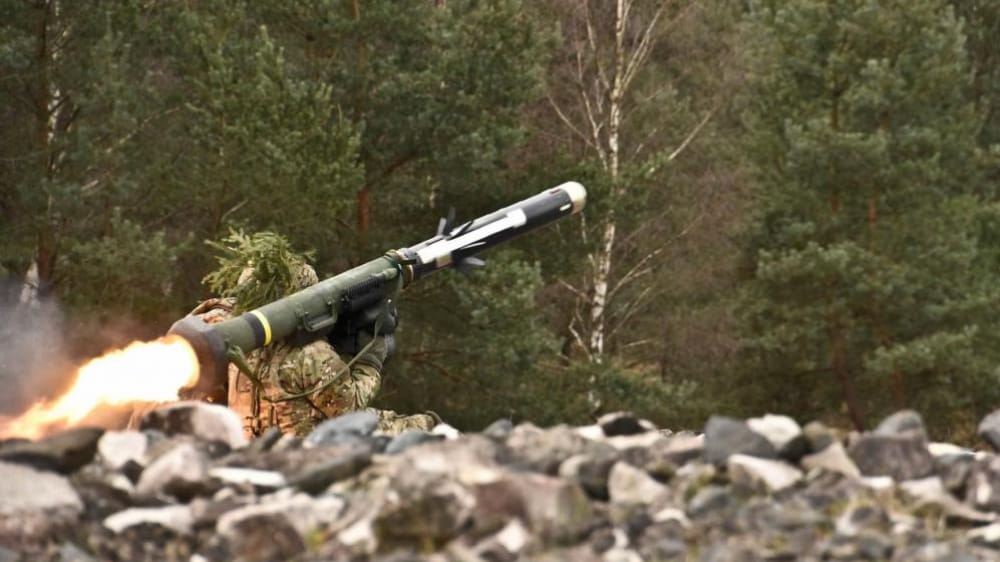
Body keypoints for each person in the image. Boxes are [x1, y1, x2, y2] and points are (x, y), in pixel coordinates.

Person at [132, 231, 437, 437]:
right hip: (307, 448)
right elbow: (349, 407)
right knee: (425, 426)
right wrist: (370, 361)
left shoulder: (217, 332)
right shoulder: (307, 353)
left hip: (248, 444)